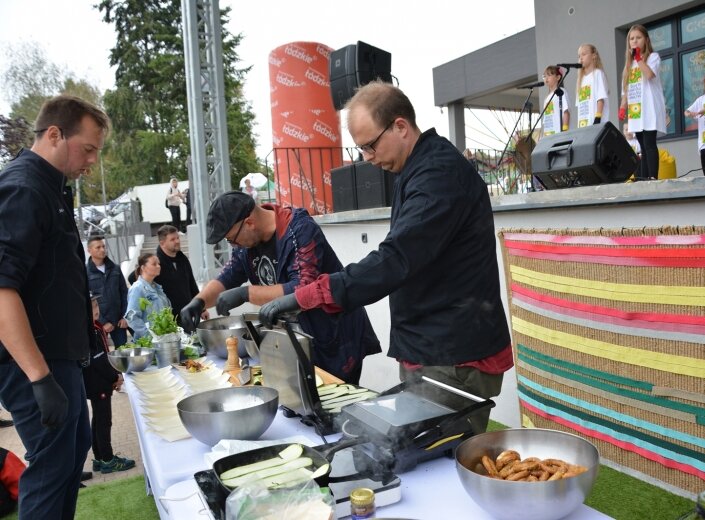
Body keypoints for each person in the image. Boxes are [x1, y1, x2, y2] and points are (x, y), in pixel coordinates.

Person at [256, 81, 512, 433]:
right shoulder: (419, 170)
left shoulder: (438, 175)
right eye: (361, 149)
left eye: (370, 146)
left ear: (401, 126)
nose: (367, 158)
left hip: (453, 354)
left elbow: (396, 259)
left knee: (437, 463)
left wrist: (308, 295)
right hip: (431, 347)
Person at [0, 95, 109, 519]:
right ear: (53, 135)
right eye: (88, 149)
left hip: (59, 358)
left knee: (70, 456)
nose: (92, 162)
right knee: (50, 466)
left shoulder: (50, 189)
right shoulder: (23, 188)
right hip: (34, 363)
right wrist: (39, 377)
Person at [178, 191, 381, 384]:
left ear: (249, 223)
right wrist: (198, 301)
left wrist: (246, 293)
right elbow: (227, 277)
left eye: (231, 239)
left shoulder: (300, 229)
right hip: (299, 337)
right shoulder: (247, 245)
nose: (233, 246)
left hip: (336, 334)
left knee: (335, 405)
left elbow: (302, 287)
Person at [83, 294, 135, 474]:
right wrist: (115, 377)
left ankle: (99, 458)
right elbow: (99, 361)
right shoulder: (89, 330)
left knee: (97, 419)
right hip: (98, 383)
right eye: (91, 306)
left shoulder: (95, 326)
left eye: (97, 303)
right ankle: (107, 460)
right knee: (104, 421)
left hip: (98, 382)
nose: (96, 307)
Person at [619, 24, 667, 180]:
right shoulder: (628, 65)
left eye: (638, 38)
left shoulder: (653, 57)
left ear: (646, 40)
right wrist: (623, 106)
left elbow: (649, 75)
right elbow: (626, 89)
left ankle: (653, 177)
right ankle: (644, 178)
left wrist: (639, 58)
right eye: (631, 39)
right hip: (636, 110)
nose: (634, 41)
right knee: (642, 147)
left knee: (649, 144)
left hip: (649, 108)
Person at [155, 225, 208, 326]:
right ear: (162, 243)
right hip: (168, 320)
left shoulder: (182, 259)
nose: (177, 241)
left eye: (178, 238)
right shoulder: (156, 263)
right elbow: (134, 278)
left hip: (187, 314)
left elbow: (192, 284)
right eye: (172, 239)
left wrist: (202, 308)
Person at [86, 236, 129, 347]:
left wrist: (124, 316)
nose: (102, 249)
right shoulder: (85, 273)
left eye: (103, 246)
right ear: (89, 250)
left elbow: (124, 293)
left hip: (119, 321)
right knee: (101, 355)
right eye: (98, 247)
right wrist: (102, 322)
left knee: (123, 353)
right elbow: (87, 301)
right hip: (99, 324)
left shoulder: (115, 268)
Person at [125, 253, 171, 340]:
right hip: (149, 344)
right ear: (143, 268)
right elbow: (131, 317)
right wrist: (149, 336)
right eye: (154, 264)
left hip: (163, 339)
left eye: (159, 263)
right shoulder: (137, 288)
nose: (158, 266)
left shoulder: (157, 288)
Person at [576, 44, 610, 128]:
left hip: (596, 123)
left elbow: (600, 98)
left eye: (584, 54)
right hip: (583, 124)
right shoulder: (580, 79)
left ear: (593, 56)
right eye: (579, 56)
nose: (581, 58)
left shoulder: (598, 74)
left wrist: (597, 118)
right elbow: (580, 106)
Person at [541, 65, 570, 136]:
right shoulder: (547, 98)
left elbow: (566, 112)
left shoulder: (561, 92)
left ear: (558, 77)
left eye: (549, 75)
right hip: (549, 135)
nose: (546, 78)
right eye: (544, 76)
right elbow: (546, 120)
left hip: (559, 133)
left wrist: (565, 130)